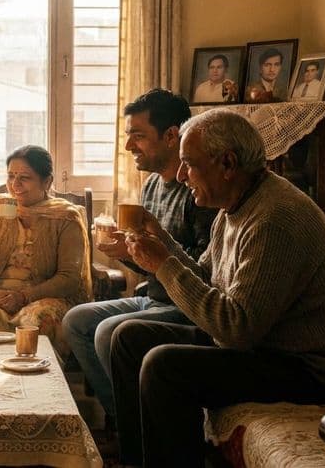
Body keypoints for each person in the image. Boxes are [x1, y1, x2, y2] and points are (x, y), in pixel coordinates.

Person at [108, 109, 325, 466]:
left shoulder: (275, 219)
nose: (181, 176)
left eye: (189, 164)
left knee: (163, 365)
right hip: (266, 345)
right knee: (128, 338)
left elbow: (236, 329)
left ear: (227, 163)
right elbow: (205, 277)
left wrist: (162, 265)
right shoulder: (233, 208)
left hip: (308, 369)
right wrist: (162, 243)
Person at [61, 89, 216, 427]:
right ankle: (126, 420)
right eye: (128, 136)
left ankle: (138, 428)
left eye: (138, 136)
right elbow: (150, 258)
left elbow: (207, 270)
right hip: (154, 297)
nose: (129, 146)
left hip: (185, 306)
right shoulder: (150, 187)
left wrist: (152, 253)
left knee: (107, 333)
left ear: (172, 135)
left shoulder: (203, 190)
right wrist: (125, 252)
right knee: (76, 321)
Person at [0, 145, 91, 355]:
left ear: (47, 182)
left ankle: (37, 382)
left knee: (37, 319)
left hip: (43, 296)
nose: (14, 185)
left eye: (24, 177)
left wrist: (25, 296)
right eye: (10, 176)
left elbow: (69, 278)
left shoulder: (65, 217)